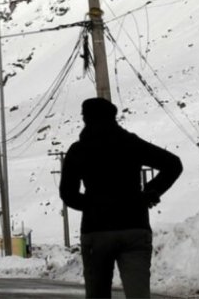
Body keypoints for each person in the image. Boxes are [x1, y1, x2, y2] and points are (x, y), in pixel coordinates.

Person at [59, 97, 182, 299]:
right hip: (134, 227)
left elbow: (67, 194)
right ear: (113, 117)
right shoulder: (130, 143)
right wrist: (152, 191)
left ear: (86, 119)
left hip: (96, 231)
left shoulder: (79, 150)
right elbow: (173, 164)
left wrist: (92, 206)